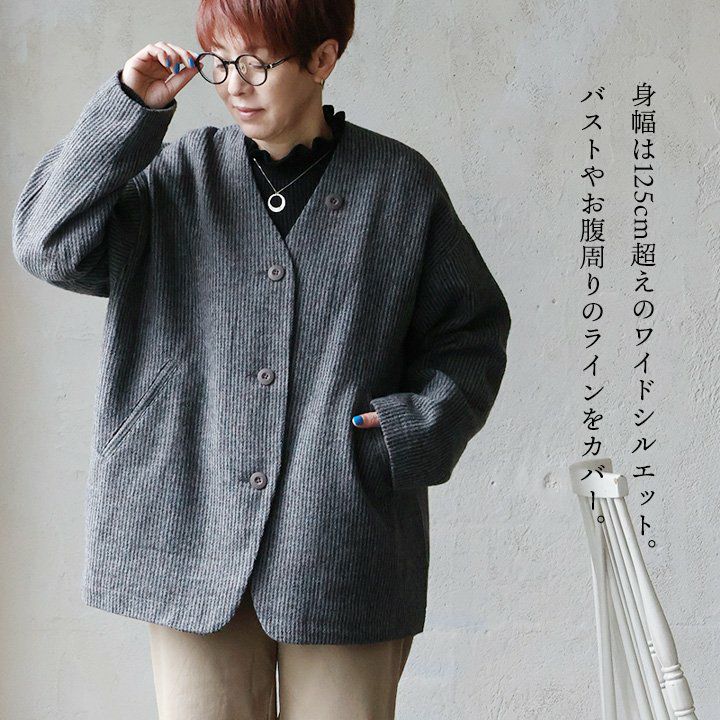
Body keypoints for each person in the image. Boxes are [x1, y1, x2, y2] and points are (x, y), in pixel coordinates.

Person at [11, 0, 511, 718]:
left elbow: (471, 335)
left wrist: (405, 434)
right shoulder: (178, 177)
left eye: (256, 64)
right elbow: (47, 244)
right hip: (191, 530)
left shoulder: (398, 186)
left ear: (322, 59)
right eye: (219, 64)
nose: (235, 85)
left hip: (341, 532)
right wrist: (129, 110)